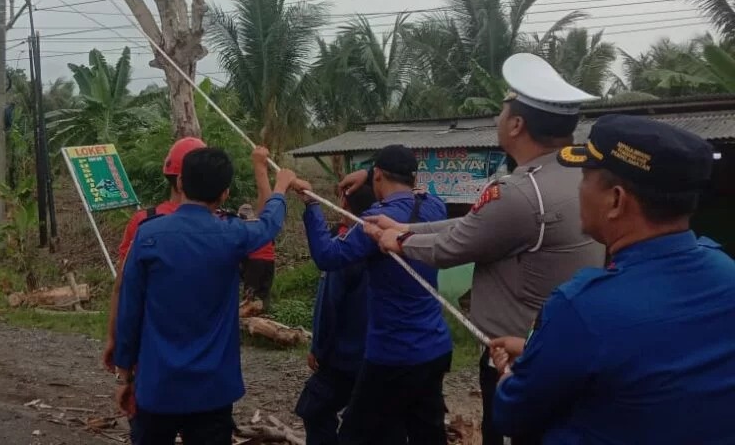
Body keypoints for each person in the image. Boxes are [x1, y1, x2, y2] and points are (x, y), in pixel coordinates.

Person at [355, 54, 606, 445]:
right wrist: (408, 227)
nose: (498, 118)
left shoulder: (520, 191)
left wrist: (399, 241)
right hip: (562, 348)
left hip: (516, 357)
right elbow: (481, 226)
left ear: (518, 124)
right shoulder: (577, 174)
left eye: (504, 109)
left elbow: (458, 244)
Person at [487, 115, 735, 444]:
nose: (579, 189)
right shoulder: (727, 273)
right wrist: (542, 351)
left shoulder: (582, 308)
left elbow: (512, 413)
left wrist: (507, 377)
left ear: (615, 200)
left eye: (585, 178)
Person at [112, 147, 294, 445]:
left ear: (180, 182)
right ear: (225, 194)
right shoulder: (232, 235)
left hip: (158, 388)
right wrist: (280, 188)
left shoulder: (148, 235)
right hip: (213, 392)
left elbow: (130, 312)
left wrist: (123, 376)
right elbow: (268, 224)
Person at [300, 145, 452, 445]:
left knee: (355, 435)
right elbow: (414, 190)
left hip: (392, 354)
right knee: (425, 434)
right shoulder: (434, 206)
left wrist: (310, 205)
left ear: (379, 175)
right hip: (434, 347)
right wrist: (370, 174)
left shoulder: (375, 221)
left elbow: (329, 257)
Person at [102, 136, 206, 373]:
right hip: (203, 348)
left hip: (152, 347)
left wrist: (114, 338)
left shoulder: (143, 221)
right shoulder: (219, 223)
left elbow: (123, 285)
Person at [294, 178, 375, 445]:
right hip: (376, 354)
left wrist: (318, 348)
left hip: (345, 356)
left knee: (314, 408)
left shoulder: (347, 249)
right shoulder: (385, 240)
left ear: (344, 204)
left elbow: (330, 305)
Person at [237, 202, 277, 312]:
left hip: (254, 261)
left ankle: (248, 320)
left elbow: (241, 250)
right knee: (264, 291)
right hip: (270, 261)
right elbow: (272, 243)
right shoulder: (262, 226)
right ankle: (264, 314)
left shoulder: (244, 228)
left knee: (250, 293)